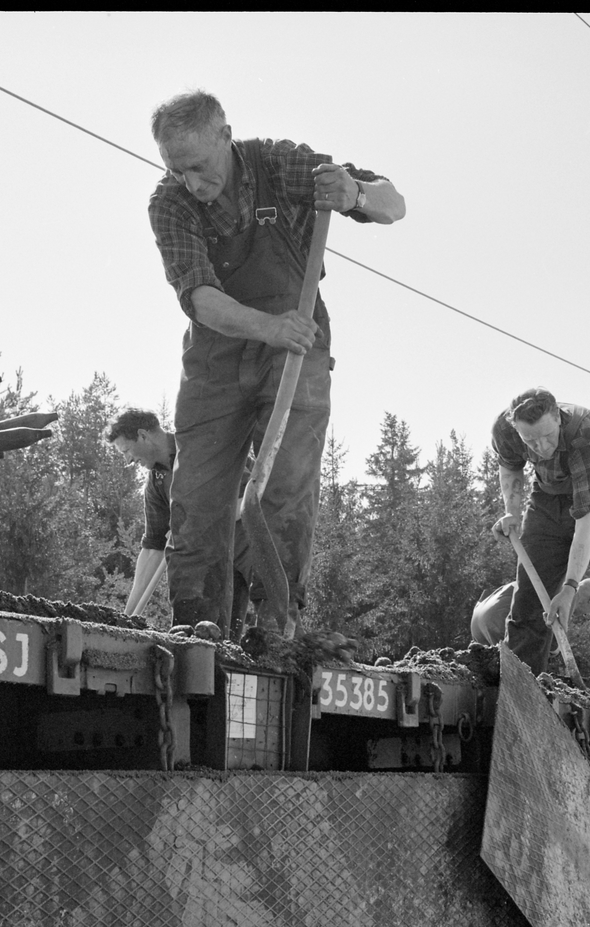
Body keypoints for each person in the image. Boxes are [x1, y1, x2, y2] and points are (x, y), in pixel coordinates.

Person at [147, 89, 405, 633]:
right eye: (176, 169)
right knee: (196, 499)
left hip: (297, 348)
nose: (191, 182)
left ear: (225, 136)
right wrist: (268, 326)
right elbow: (200, 298)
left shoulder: (277, 164)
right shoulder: (169, 203)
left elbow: (393, 204)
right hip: (215, 360)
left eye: (199, 166)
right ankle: (195, 629)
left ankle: (276, 627)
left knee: (286, 487)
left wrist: (355, 192)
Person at [490, 387, 590, 681]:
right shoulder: (505, 430)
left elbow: (586, 520)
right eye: (531, 441)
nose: (541, 447)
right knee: (528, 596)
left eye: (547, 436)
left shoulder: (583, 433)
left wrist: (569, 589)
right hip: (547, 498)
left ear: (558, 417)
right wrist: (512, 512)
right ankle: (519, 683)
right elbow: (511, 467)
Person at [106, 408, 254, 635]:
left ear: (143, 435)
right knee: (187, 634)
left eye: (126, 450)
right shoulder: (156, 482)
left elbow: (251, 497)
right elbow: (153, 548)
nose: (128, 460)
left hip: (235, 561)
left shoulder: (203, 449)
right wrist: (127, 618)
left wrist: (194, 524)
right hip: (193, 570)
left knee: (222, 639)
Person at [471, 577, 590, 646]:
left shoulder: (554, 581)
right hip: (500, 620)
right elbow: (554, 645)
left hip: (479, 616)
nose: (586, 616)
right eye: (589, 613)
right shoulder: (568, 598)